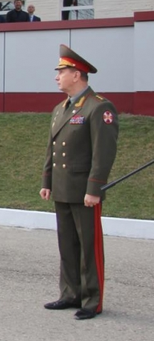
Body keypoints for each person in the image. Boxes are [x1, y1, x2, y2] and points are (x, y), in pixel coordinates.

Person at [40, 44, 119, 321]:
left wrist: (94, 188)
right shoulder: (60, 108)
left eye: (61, 72)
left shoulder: (99, 107)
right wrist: (47, 180)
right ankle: (70, 293)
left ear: (77, 74)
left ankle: (92, 300)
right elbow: (52, 148)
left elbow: (103, 152)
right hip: (62, 187)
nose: (56, 77)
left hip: (84, 191)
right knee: (67, 245)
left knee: (89, 246)